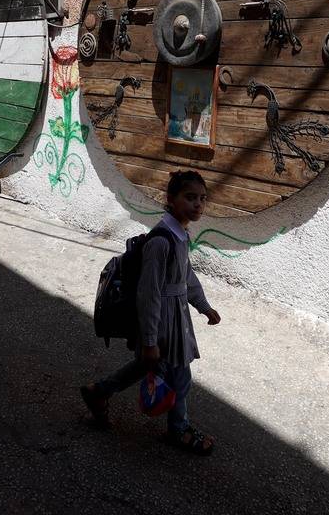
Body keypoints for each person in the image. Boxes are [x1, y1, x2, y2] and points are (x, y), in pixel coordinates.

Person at [80, 170, 222, 455]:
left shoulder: (180, 235)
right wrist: (149, 340)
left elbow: (186, 277)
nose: (198, 204)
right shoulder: (161, 241)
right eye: (190, 197)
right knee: (179, 376)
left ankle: (99, 391)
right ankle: (178, 430)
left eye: (202, 199)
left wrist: (203, 306)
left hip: (175, 317)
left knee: (151, 367)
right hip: (162, 323)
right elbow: (149, 295)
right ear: (170, 199)